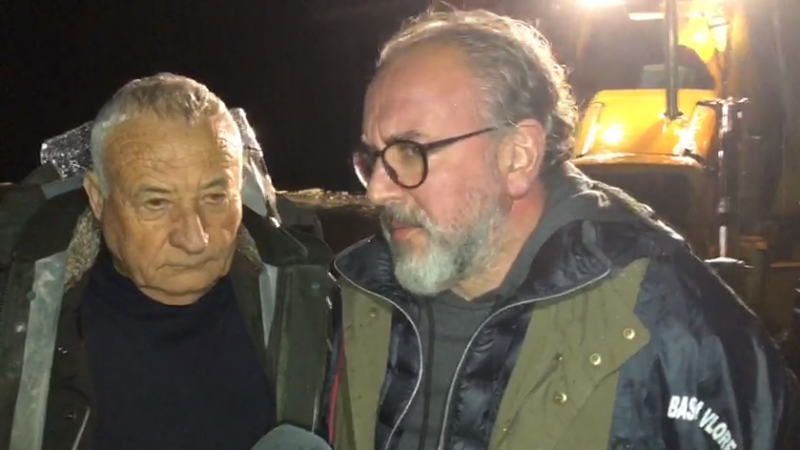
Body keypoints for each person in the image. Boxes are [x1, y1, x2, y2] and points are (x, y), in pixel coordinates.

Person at [325, 9, 800, 450]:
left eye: (410, 152)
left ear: (518, 157)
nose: (378, 191)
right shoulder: (355, 297)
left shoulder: (665, 319)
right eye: (373, 157)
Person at [0, 73, 334, 450]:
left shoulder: (316, 304)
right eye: (156, 203)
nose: (195, 239)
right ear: (97, 198)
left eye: (215, 197)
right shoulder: (16, 312)